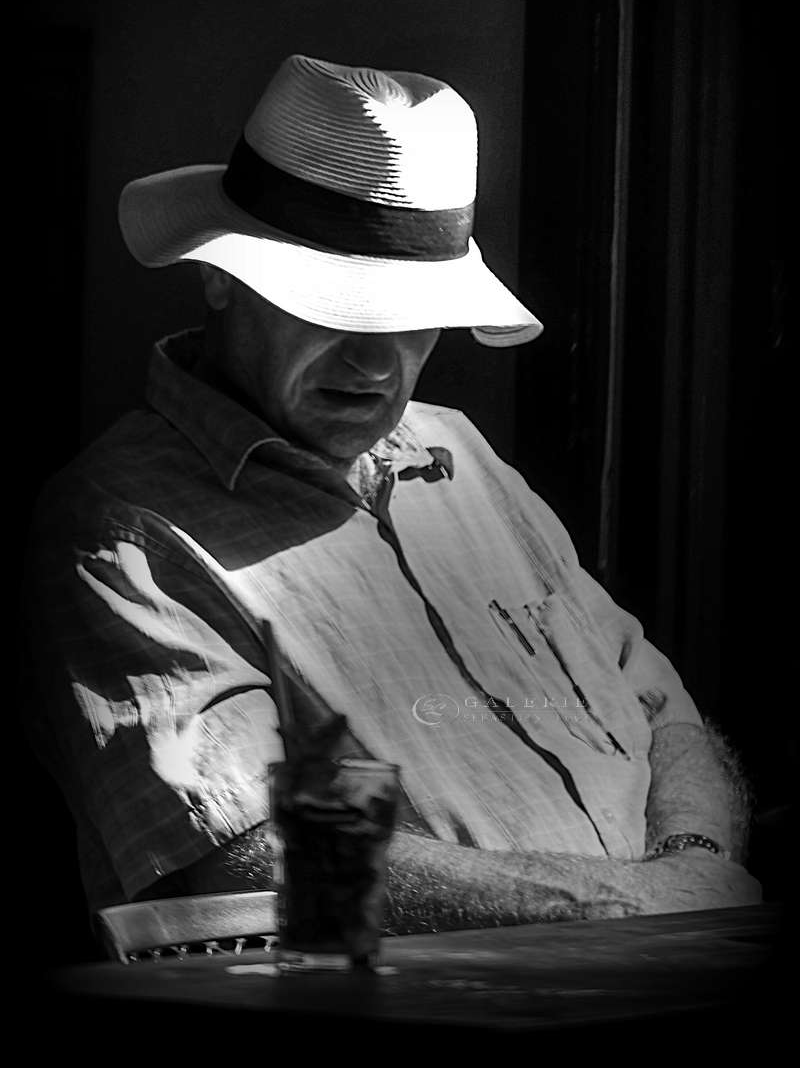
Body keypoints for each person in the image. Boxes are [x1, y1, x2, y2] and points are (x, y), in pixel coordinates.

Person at [23, 54, 760, 935]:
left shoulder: (460, 456)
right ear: (219, 276)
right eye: (334, 307)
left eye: (415, 314)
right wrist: (619, 908)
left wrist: (696, 864)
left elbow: (658, 706)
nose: (377, 363)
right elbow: (241, 852)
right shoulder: (120, 529)